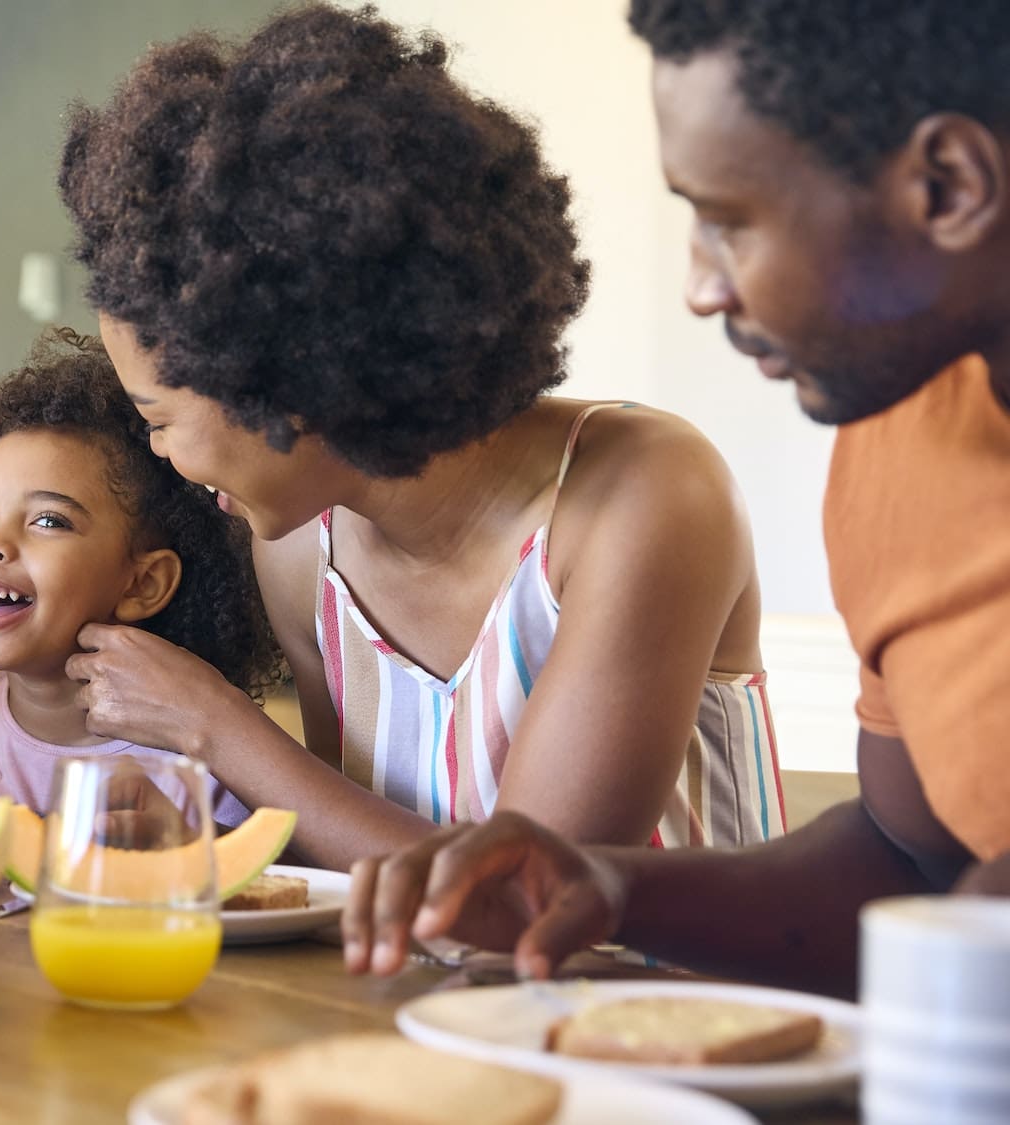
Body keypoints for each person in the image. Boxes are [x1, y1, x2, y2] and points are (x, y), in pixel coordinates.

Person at [340, 0, 1010, 999]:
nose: (702, 286)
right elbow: (911, 861)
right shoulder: (892, 443)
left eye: (727, 220)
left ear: (948, 186)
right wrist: (607, 887)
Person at [55, 5, 778, 873]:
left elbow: (529, 897)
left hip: (671, 1007)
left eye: (158, 419)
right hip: (431, 1009)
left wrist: (217, 727)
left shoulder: (647, 497)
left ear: (286, 377)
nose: (162, 453)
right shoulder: (300, 557)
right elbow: (348, 857)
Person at [0, 331, 275, 825]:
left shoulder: (203, 753)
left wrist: (194, 850)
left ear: (142, 584)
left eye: (49, 521)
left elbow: (266, 882)